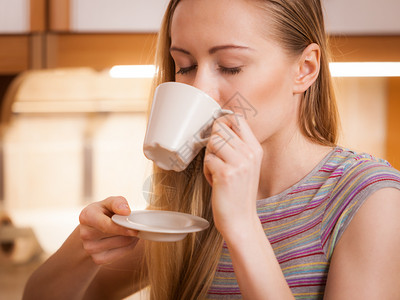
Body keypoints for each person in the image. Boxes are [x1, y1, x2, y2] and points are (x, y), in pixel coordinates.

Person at [23, 0, 400, 299]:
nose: (199, 89)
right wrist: (85, 246)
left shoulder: (369, 201)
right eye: (185, 66)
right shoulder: (192, 199)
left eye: (231, 67)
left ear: (304, 68)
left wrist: (241, 226)